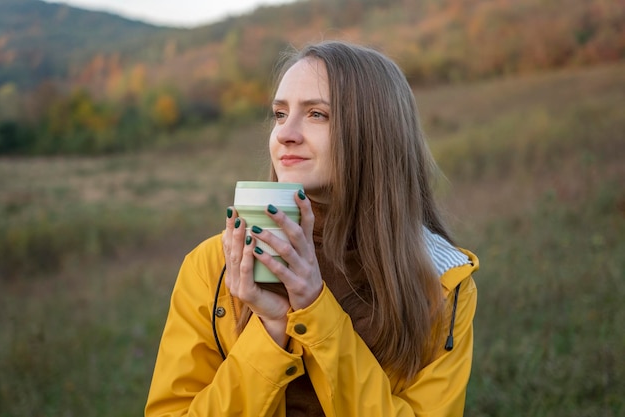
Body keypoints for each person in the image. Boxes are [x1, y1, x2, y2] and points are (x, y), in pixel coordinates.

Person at [145, 40, 478, 417]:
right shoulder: (214, 267)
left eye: (317, 114)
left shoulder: (443, 281)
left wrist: (314, 308)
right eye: (280, 114)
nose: (286, 133)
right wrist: (270, 328)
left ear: (375, 133)